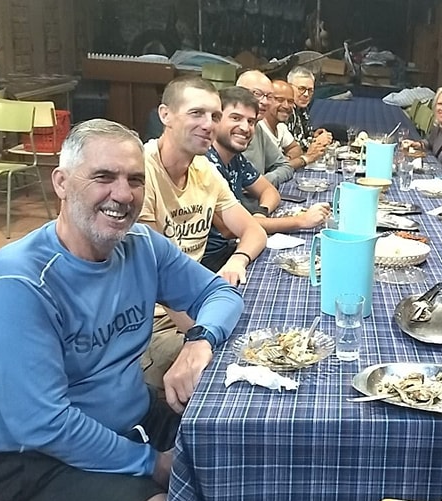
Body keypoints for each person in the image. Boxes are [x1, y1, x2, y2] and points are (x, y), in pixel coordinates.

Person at [0, 119, 243, 501]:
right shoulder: (21, 284)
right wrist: (151, 463)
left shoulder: (140, 246)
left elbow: (220, 294)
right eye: (103, 177)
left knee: (228, 463)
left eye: (134, 179)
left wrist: (200, 340)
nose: (123, 194)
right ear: (62, 183)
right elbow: (43, 424)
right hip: (30, 468)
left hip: (127, 420)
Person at [139, 77, 266, 389]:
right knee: (232, 375)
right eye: (196, 113)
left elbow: (253, 230)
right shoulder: (138, 172)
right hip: (152, 325)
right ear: (165, 115)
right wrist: (204, 334)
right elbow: (158, 280)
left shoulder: (202, 169)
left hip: (197, 306)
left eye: (215, 115)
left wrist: (237, 259)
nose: (209, 124)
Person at [203, 86, 330, 269]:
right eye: (236, 118)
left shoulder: (235, 158)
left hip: (233, 250)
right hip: (211, 265)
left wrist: (260, 212)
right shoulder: (205, 162)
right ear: (215, 120)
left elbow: (269, 191)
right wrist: (301, 221)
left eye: (251, 121)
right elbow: (230, 229)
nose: (245, 128)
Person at [236, 69, 295, 187]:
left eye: (269, 96)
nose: (265, 101)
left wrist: (259, 183)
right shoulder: (220, 134)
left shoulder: (258, 129)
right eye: (257, 94)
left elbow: (285, 166)